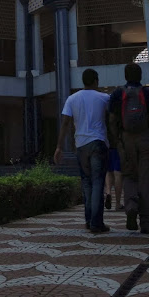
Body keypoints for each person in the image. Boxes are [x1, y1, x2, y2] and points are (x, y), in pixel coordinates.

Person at [109, 62, 149, 234]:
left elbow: (112, 120)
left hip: (126, 139)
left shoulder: (117, 94)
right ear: (141, 76)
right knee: (147, 180)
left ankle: (130, 206)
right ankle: (146, 223)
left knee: (129, 175)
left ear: (125, 76)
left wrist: (117, 141)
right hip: (147, 139)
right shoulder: (148, 93)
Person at [54, 68, 110, 233]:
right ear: (96, 81)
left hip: (81, 144)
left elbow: (65, 123)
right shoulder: (104, 98)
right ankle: (96, 222)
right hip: (98, 142)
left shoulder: (72, 99)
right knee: (98, 182)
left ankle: (88, 219)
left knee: (86, 182)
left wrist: (59, 147)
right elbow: (112, 119)